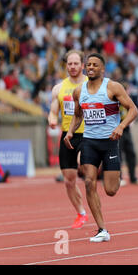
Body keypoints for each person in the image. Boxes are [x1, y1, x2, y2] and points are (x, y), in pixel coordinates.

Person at [64, 53, 138, 243]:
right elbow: (78, 115)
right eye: (88, 64)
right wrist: (71, 131)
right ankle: (102, 229)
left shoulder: (113, 87)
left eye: (95, 65)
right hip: (89, 141)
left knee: (111, 190)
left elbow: (133, 109)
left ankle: (115, 173)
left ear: (102, 69)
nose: (90, 67)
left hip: (110, 142)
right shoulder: (79, 91)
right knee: (89, 181)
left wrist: (121, 126)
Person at [48, 49, 89, 229]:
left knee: (84, 165)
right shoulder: (59, 88)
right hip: (68, 136)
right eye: (69, 64)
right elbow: (53, 111)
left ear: (82, 65)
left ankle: (95, 200)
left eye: (75, 63)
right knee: (68, 180)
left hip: (88, 134)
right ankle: (81, 213)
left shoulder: (92, 85)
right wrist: (51, 120)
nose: (72, 67)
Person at [119, 104, 138, 185]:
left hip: (126, 130)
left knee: (131, 153)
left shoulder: (126, 102)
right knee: (118, 155)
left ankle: (133, 177)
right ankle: (118, 178)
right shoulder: (113, 100)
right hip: (117, 130)